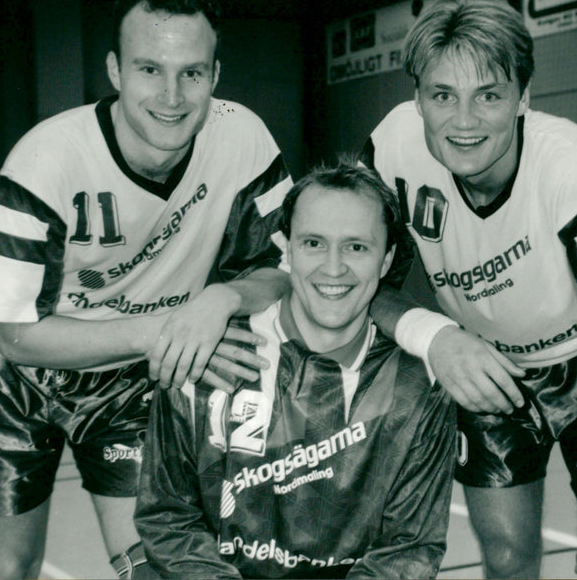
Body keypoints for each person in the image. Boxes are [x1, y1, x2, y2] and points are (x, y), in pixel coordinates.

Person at [0, 0, 292, 578]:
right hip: (15, 379)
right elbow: (16, 336)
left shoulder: (244, 139)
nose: (172, 97)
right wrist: (161, 330)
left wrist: (222, 297)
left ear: (216, 74)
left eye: (192, 73)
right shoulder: (45, 162)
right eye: (150, 69)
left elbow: (279, 270)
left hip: (132, 376)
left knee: (157, 567)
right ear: (115, 70)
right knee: (10, 569)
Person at [360, 0, 577, 580]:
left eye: (490, 95)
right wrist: (436, 337)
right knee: (506, 557)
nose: (464, 121)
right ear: (418, 98)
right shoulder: (392, 150)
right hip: (489, 368)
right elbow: (354, 283)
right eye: (442, 95)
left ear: (523, 97)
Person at [134, 162, 457, 579]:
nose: (334, 268)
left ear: (386, 258)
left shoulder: (419, 384)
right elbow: (168, 518)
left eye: (357, 247)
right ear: (286, 251)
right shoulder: (209, 354)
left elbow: (408, 549)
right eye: (313, 244)